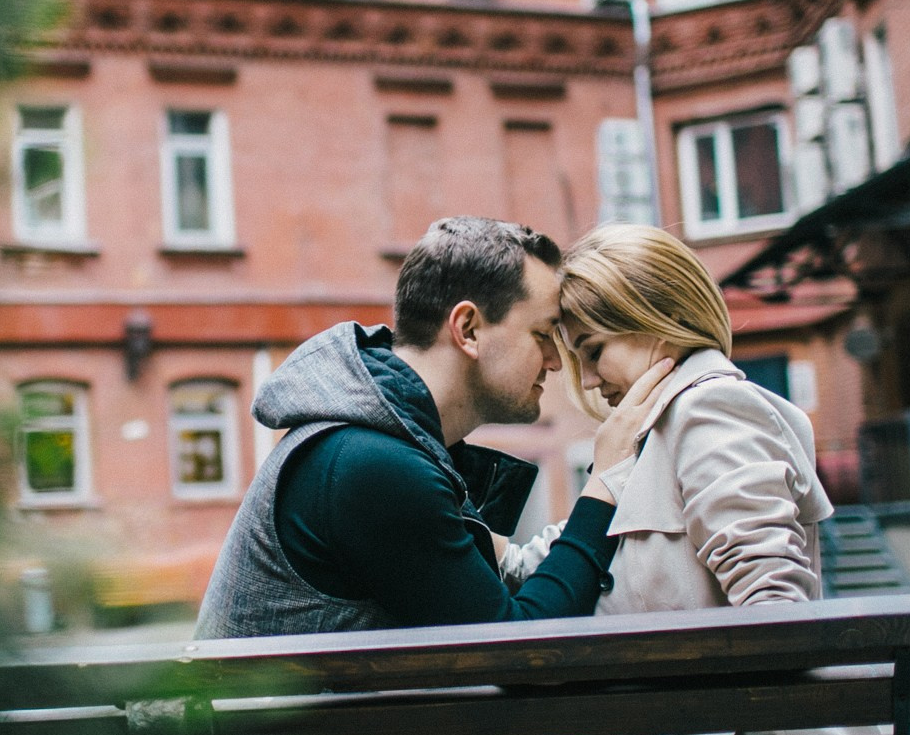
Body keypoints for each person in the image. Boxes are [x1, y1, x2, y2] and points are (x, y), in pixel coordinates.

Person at [194, 216, 673, 640]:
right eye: (543, 335)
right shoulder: (371, 466)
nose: (554, 360)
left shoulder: (384, 448)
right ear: (467, 329)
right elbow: (519, 654)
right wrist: (602, 486)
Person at [503, 222, 829, 613]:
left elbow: (775, 603)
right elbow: (543, 560)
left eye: (594, 351)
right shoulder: (655, 432)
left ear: (659, 319)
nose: (588, 381)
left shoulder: (711, 409)